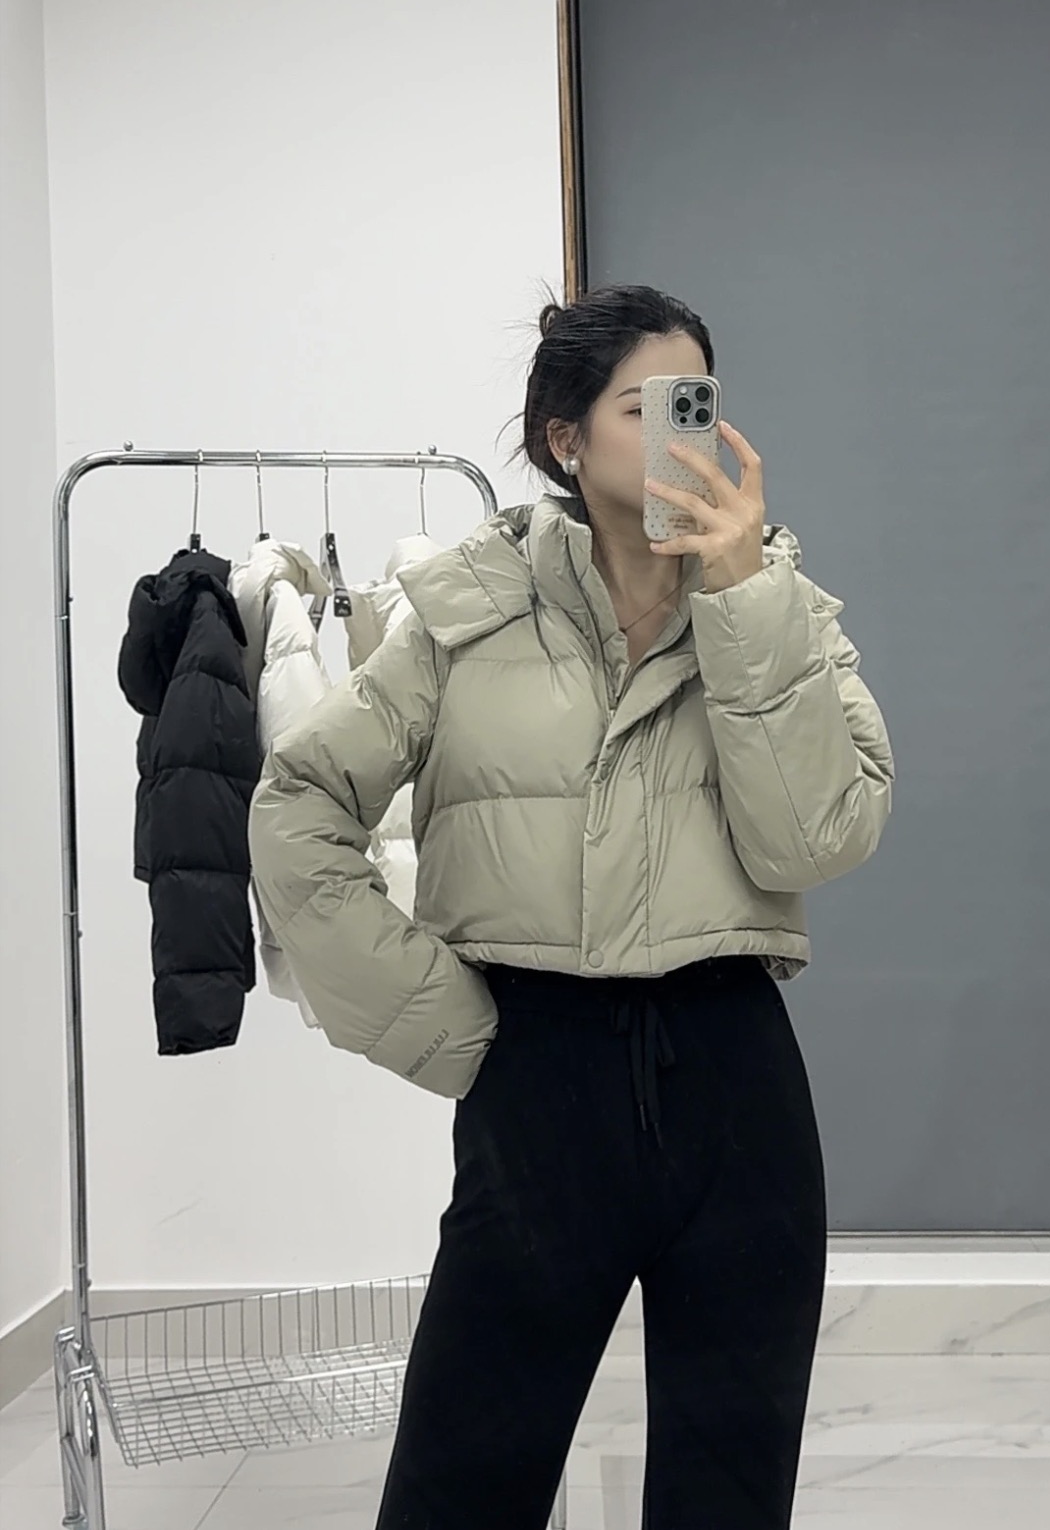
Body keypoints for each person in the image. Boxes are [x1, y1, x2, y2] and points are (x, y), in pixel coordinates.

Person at [248, 285, 895, 1530]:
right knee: (458, 1487)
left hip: (735, 1083)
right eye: (644, 407)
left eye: (696, 402)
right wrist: (445, 1022)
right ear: (564, 438)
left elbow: (819, 836)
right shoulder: (461, 611)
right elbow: (298, 805)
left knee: (728, 1493)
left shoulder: (778, 608)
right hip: (534, 1077)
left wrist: (742, 599)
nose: (681, 433)